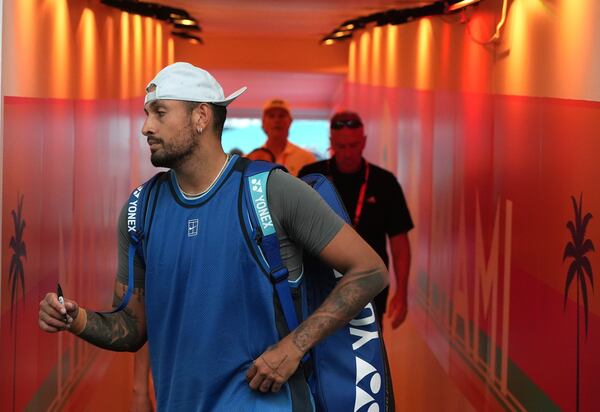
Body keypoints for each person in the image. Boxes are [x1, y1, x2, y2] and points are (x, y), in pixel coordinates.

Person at [38, 63, 389, 411]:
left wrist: (295, 347)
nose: (146, 127)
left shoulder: (271, 191)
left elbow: (370, 269)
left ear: (201, 117)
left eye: (160, 113)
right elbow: (132, 327)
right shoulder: (140, 210)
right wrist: (76, 319)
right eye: (147, 114)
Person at [299, 111, 413, 330]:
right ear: (331, 143)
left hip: (369, 285)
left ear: (364, 142)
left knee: (366, 359)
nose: (348, 153)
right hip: (320, 284)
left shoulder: (384, 182)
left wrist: (402, 293)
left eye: (353, 145)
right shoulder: (312, 176)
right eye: (341, 147)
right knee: (320, 355)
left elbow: (399, 243)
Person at [259, 98, 316, 176]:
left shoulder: (307, 159)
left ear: (290, 121)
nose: (277, 120)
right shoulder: (251, 160)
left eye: (281, 116)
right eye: (271, 116)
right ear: (263, 122)